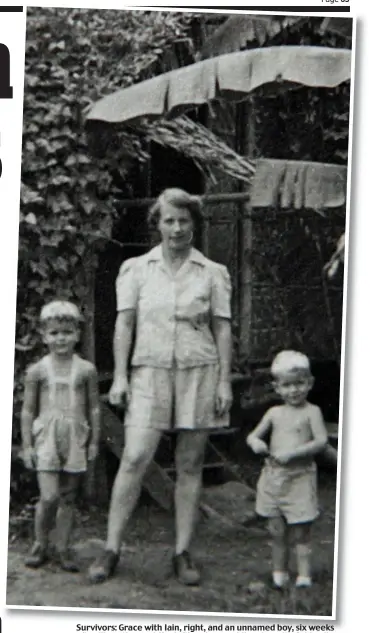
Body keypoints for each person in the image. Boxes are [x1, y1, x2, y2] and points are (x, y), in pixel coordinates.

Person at [88, 187, 233, 585]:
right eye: (169, 220)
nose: (177, 228)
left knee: (189, 464)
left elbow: (222, 329)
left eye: (184, 220)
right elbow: (125, 324)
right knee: (134, 457)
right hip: (148, 372)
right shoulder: (135, 270)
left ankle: (182, 553)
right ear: (158, 225)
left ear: (194, 224)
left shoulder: (213, 273)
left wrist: (223, 382)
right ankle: (111, 549)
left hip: (198, 371)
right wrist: (119, 375)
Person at [21, 300, 100, 572]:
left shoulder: (86, 370)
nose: (61, 338)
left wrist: (94, 443)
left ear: (77, 334)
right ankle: (40, 543)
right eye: (54, 333)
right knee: (50, 496)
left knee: (68, 497)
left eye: (67, 332)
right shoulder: (38, 370)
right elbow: (28, 410)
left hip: (75, 436)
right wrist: (27, 445)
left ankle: (63, 547)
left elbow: (95, 408)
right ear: (44, 336)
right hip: (47, 439)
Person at [246, 350, 328, 589]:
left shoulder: (312, 412)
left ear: (310, 383)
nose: (294, 390)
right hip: (273, 477)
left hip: (299, 477)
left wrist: (293, 453)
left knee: (301, 530)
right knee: (277, 531)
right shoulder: (274, 413)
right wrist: (256, 443)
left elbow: (321, 441)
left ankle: (304, 578)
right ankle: (278, 575)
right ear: (277, 387)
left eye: (300, 384)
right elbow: (253, 436)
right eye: (287, 385)